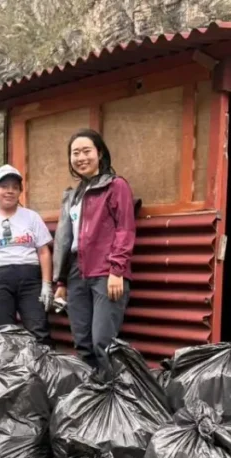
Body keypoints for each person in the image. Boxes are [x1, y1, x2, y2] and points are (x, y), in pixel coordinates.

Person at [52, 129, 137, 370]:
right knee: (83, 343)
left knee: (103, 343)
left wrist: (117, 270)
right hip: (76, 274)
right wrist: (62, 282)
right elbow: (66, 240)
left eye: (86, 151)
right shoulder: (74, 195)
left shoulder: (115, 185)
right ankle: (92, 390)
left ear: (99, 153)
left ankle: (112, 390)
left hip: (105, 271)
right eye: (75, 153)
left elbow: (125, 229)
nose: (81, 157)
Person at [0, 164, 54, 344]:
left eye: (15, 187)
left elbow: (44, 252)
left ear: (20, 192)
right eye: (4, 187)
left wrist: (46, 284)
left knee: (39, 330)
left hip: (30, 280)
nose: (10, 191)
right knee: (4, 334)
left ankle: (43, 362)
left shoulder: (31, 217)